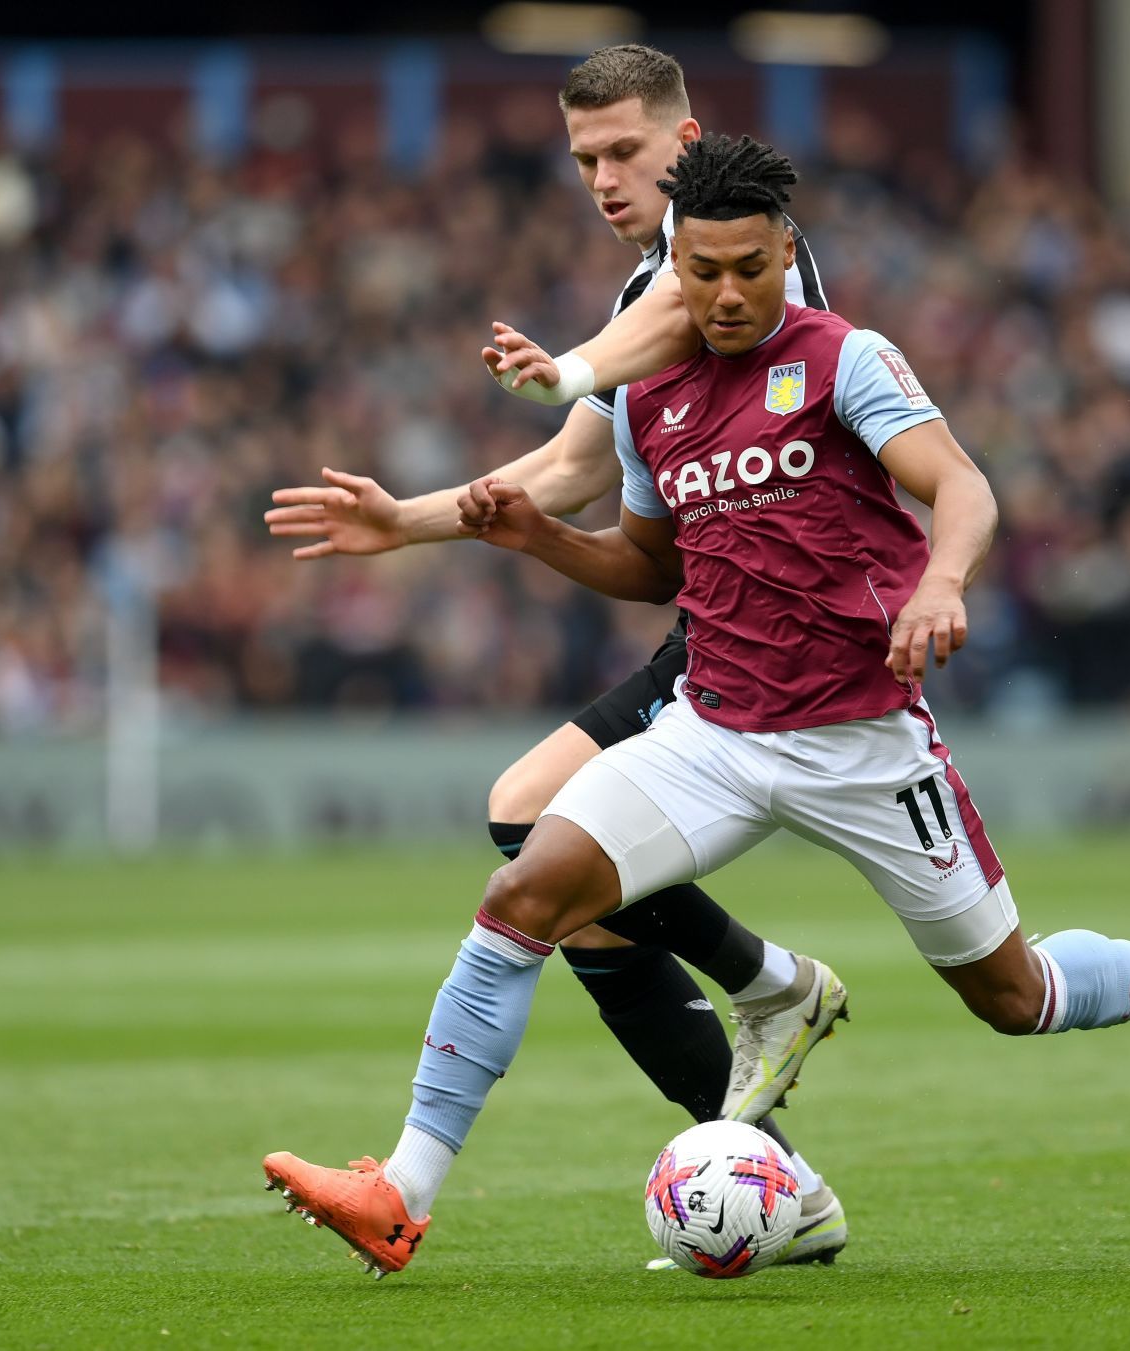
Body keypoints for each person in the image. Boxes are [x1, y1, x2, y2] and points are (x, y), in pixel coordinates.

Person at [260, 135, 1130, 1280]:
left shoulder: (844, 360)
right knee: (522, 889)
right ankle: (401, 1190)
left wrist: (941, 581)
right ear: (672, 268)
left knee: (1012, 994)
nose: (729, 293)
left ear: (788, 250)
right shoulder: (647, 399)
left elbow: (964, 485)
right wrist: (540, 536)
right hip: (714, 734)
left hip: (865, 743)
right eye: (703, 271)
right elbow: (653, 569)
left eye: (751, 266)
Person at [261, 45, 848, 1266]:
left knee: (534, 827)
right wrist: (408, 522)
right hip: (719, 631)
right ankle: (786, 1181)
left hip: (780, 645)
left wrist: (573, 365)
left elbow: (652, 343)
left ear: (684, 144)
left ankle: (771, 985)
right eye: (583, 158)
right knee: (570, 899)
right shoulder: (656, 281)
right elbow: (576, 469)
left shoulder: (726, 258)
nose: (600, 176)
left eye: (624, 151)